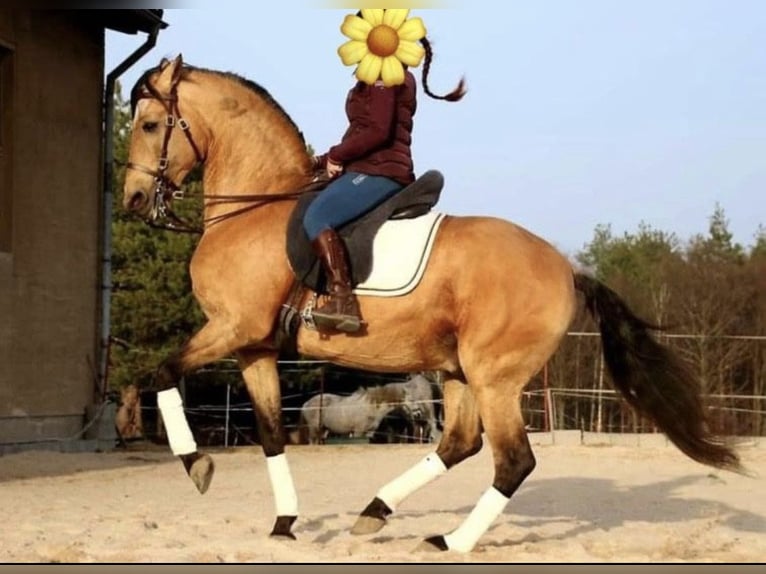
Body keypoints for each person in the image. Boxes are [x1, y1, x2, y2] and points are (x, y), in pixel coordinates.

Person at [306, 33, 465, 334]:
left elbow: (379, 132)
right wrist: (322, 160)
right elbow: (358, 132)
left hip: (381, 172)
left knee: (318, 216)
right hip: (368, 167)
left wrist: (338, 156)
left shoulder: (385, 73)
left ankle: (342, 302)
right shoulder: (378, 74)